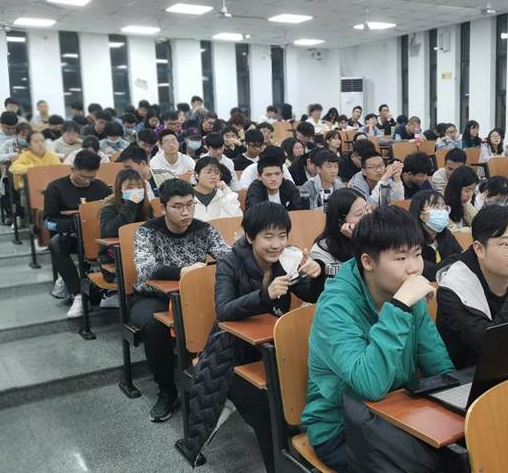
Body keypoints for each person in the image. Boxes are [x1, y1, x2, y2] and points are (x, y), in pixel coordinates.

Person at [301, 206, 455, 472]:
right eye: (400, 258)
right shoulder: (335, 306)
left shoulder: (404, 289)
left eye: (417, 254)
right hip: (342, 429)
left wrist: (456, 401)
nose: (413, 268)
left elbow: (437, 361)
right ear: (368, 262)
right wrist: (400, 306)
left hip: (398, 414)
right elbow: (370, 385)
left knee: (468, 451)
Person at [212, 201, 322, 472]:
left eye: (282, 236)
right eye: (268, 237)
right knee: (266, 407)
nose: (277, 244)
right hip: (233, 352)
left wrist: (316, 273)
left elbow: (310, 294)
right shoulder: (229, 262)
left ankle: (305, 457)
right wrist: (264, 295)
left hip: (274, 347)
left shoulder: (286, 260)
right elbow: (223, 310)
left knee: (308, 389)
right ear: (250, 237)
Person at [132, 179, 230, 422]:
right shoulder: (147, 231)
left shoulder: (204, 229)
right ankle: (167, 390)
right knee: (155, 326)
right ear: (163, 207)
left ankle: (214, 380)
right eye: (177, 206)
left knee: (227, 312)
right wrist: (184, 271)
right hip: (152, 296)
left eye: (190, 205)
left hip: (193, 295)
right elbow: (145, 269)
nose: (186, 212)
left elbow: (229, 258)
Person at [436, 204, 508, 368]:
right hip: (468, 377)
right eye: (506, 245)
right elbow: (494, 347)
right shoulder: (453, 288)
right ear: (479, 249)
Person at [43, 151, 111, 317]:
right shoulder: (56, 187)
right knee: (56, 243)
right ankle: (78, 294)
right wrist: (70, 225)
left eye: (92, 177)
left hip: (98, 237)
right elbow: (47, 221)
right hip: (72, 236)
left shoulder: (100, 187)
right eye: (83, 177)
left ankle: (111, 291)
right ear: (73, 169)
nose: (87, 181)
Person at [99, 169, 153, 280]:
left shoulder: (145, 206)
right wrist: (131, 204)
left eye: (139, 187)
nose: (135, 191)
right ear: (120, 190)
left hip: (142, 252)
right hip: (115, 256)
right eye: (130, 187)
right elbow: (112, 232)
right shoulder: (109, 207)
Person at [409, 190, 463, 281]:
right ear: (421, 215)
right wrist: (455, 260)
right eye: (436, 207)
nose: (442, 211)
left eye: (444, 207)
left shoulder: (446, 234)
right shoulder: (411, 240)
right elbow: (430, 272)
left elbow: (461, 257)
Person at [310, 188, 369, 267]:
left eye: (368, 209)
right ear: (341, 223)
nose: (367, 216)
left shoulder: (377, 234)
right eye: (359, 214)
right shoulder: (321, 251)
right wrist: (357, 241)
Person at [192, 156, 241, 221]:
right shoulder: (188, 195)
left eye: (217, 173)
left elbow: (238, 217)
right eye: (209, 172)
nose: (213, 177)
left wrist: (226, 189)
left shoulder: (223, 194)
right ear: (196, 175)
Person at [445, 165, 478, 231]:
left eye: (473, 190)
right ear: (456, 189)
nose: (470, 195)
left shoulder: (467, 205)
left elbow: (480, 225)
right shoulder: (443, 207)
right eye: (467, 191)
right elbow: (455, 233)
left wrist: (467, 206)